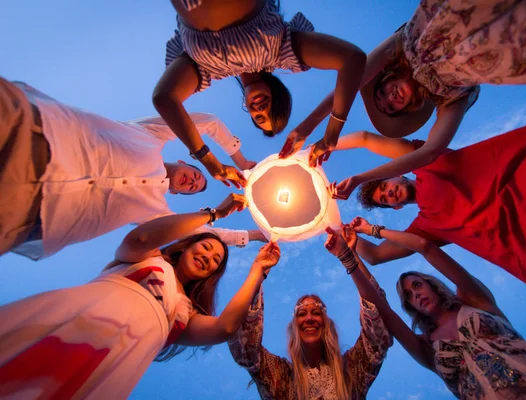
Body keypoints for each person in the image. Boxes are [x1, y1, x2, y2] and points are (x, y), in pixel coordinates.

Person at [297, 0, 526, 198]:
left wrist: (313, 128)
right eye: (391, 108)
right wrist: (360, 178)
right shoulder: (450, 98)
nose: (390, 98)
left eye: (383, 93)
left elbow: (355, 77)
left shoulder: (401, 47)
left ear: (386, 78)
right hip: (517, 43)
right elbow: (429, 152)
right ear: (407, 110)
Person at [0, 192, 282, 398]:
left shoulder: (185, 314)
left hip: (117, 364)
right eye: (205, 248)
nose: (208, 257)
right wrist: (214, 215)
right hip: (78, 315)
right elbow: (141, 238)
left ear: (211, 276)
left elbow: (225, 328)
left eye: (215, 261)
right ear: (184, 247)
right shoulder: (145, 257)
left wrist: (258, 268)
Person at [334, 111, 526, 326]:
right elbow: (377, 256)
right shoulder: (428, 226)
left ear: (398, 173)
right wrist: (343, 231)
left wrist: (327, 144)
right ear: (397, 208)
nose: (388, 193)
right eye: (385, 199)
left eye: (384, 186)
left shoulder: (428, 160)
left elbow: (366, 138)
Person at [0, 78, 262, 260]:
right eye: (197, 175)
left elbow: (199, 231)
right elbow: (208, 123)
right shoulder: (151, 136)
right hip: (32, 132)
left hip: (28, 215)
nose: (193, 181)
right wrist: (239, 160)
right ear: (184, 161)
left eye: (193, 187)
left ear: (176, 194)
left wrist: (250, 234)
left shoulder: (154, 211)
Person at [332, 221, 526, 399]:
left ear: (432, 286)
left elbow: (425, 246)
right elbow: (382, 308)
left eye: (418, 285)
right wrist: (349, 256)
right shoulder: (425, 347)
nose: (416, 294)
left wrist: (373, 230)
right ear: (411, 306)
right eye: (410, 296)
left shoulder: (475, 300)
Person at [154, 0, 367, 173]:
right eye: (271, 111)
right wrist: (332, 132)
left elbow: (164, 98)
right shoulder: (282, 51)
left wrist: (209, 161)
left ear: (247, 109)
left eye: (259, 117)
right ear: (278, 95)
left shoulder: (207, 71)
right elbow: (352, 58)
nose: (261, 109)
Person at [227, 227, 392, 400]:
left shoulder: (351, 369)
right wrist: (259, 272)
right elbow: (244, 349)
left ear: (327, 323)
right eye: (301, 314)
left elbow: (379, 332)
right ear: (293, 327)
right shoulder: (279, 375)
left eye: (316, 312)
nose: (309, 318)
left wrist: (349, 257)